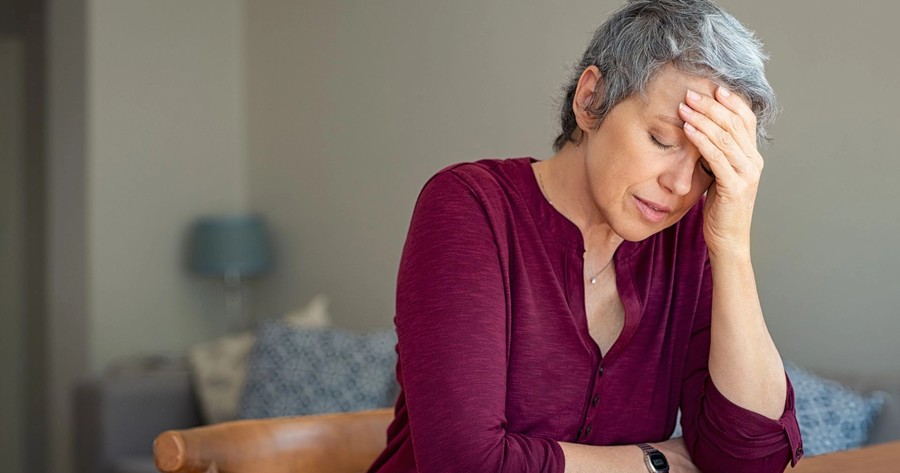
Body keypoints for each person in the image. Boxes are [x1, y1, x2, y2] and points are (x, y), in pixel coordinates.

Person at [367, 0, 802, 471]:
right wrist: (657, 463)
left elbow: (752, 460)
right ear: (591, 99)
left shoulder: (690, 240)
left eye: (707, 166)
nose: (680, 185)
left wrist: (732, 247)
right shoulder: (470, 207)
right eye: (662, 140)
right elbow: (465, 463)